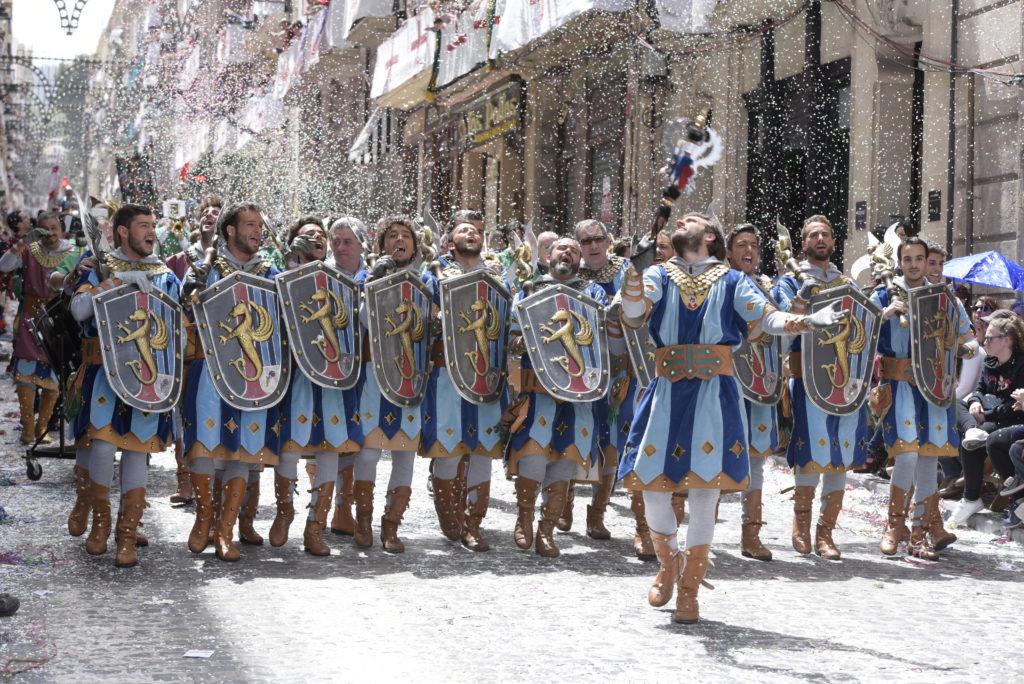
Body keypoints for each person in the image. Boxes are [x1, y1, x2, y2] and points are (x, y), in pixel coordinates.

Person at [618, 212, 843, 624]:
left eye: (695, 218)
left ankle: (689, 593)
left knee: (706, 493)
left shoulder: (733, 280)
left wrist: (807, 320)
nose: (683, 219)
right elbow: (633, 310)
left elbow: (766, 319)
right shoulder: (658, 274)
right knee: (651, 487)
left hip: (713, 393)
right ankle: (669, 568)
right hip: (666, 390)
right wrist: (635, 268)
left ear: (709, 236)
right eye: (681, 218)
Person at [68, 204, 181, 568]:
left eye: (153, 226)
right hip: (104, 374)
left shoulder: (165, 275)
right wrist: (119, 281)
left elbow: (176, 328)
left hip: (147, 377)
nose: (151, 232)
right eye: (143, 226)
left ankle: (126, 534)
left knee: (136, 452)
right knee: (100, 448)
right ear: (121, 232)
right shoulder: (99, 265)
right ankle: (99, 523)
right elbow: (79, 310)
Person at [181, 203, 282, 562]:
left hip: (254, 373)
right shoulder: (205, 268)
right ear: (230, 231)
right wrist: (189, 286)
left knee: (244, 446)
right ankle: (203, 517)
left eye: (260, 225)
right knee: (205, 445)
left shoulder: (271, 271)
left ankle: (225, 530)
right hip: (210, 369)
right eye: (250, 225)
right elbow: (185, 309)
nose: (258, 231)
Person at [505, 236, 611, 557]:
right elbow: (511, 338)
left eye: (574, 250)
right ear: (547, 254)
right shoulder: (528, 290)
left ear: (579, 260)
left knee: (567, 458)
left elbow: (603, 338)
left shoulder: (593, 294)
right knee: (534, 455)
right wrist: (518, 343)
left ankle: (547, 530)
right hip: (537, 390)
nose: (567, 252)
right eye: (561, 248)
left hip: (579, 394)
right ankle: (524, 518)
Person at [871, 237, 975, 559]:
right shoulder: (883, 295)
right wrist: (885, 314)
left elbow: (967, 338)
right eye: (908, 258)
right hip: (899, 385)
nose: (914, 264)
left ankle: (918, 535)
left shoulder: (944, 297)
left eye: (920, 258)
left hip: (934, 388)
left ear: (926, 260)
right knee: (906, 456)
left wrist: (961, 347)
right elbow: (858, 335)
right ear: (899, 262)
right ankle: (894, 526)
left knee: (929, 459)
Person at [774, 215, 869, 560]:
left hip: (842, 378)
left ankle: (825, 532)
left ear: (832, 241)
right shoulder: (788, 281)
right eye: (813, 234)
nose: (820, 239)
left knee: (839, 453)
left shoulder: (847, 284)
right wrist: (800, 300)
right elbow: (781, 325)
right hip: (807, 379)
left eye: (825, 234)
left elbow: (864, 323)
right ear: (803, 243)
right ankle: (801, 524)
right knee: (812, 449)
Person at [275, 217, 363, 555]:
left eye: (320, 235)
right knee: (291, 444)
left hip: (333, 374)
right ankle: (284, 513)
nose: (316, 238)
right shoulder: (279, 274)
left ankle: (315, 526)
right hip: (296, 375)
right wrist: (291, 268)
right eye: (306, 235)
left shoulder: (342, 279)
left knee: (329, 446)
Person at [419, 219, 509, 551]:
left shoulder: (498, 276)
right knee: (448, 449)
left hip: (487, 372)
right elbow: (424, 318)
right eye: (462, 230)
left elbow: (507, 318)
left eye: (476, 230)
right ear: (449, 243)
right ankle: (450, 515)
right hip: (446, 373)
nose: (471, 233)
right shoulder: (435, 275)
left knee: (483, 449)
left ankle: (473, 522)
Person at [350, 216, 425, 553]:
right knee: (369, 451)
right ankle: (362, 520)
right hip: (374, 376)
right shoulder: (367, 277)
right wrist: (376, 281)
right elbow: (364, 321)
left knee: (405, 455)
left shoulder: (427, 282)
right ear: (382, 245)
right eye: (392, 235)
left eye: (405, 235)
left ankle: (391, 525)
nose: (399, 240)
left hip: (410, 375)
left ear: (414, 244)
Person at [559, 219, 630, 539]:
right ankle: (564, 505)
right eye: (586, 242)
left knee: (612, 442)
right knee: (574, 435)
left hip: (621, 369)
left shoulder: (628, 270)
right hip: (579, 370)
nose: (593, 245)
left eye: (598, 239)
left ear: (609, 240)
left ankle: (597, 514)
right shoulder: (570, 276)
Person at [724, 224, 778, 561]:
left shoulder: (770, 288)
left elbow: (787, 323)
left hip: (760, 384)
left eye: (754, 245)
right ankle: (696, 539)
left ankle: (751, 535)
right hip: (724, 383)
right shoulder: (719, 284)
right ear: (728, 252)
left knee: (756, 461)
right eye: (742, 244)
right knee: (712, 457)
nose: (749, 250)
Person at [0, 212, 77, 445]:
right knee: (25, 374)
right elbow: (3, 265)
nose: (49, 234)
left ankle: (43, 427)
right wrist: (23, 242)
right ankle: (28, 426)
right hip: (30, 318)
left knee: (53, 377)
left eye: (53, 228)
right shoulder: (29, 249)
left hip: (58, 321)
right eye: (44, 229)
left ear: (61, 229)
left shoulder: (73, 253)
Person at [951, 312, 1024, 524]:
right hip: (985, 415)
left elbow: (1015, 405)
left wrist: (987, 415)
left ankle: (971, 497)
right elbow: (980, 389)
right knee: (956, 405)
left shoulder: (1021, 364)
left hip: (1009, 417)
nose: (985, 342)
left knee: (972, 444)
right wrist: (974, 401)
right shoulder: (989, 361)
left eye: (991, 338)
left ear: (1007, 339)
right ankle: (974, 429)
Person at [322, 217, 369, 537]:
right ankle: (327, 511)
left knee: (358, 439)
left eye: (347, 241)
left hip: (367, 369)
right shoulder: (320, 276)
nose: (339, 247)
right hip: (330, 366)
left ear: (362, 244)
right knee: (332, 438)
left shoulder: (376, 277)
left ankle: (348, 509)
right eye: (335, 241)